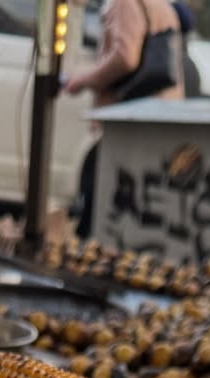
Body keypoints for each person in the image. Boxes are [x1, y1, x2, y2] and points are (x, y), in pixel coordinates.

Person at [64, 0, 184, 238]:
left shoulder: (123, 2)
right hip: (157, 118)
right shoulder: (160, 5)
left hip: (128, 119)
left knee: (103, 201)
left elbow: (126, 57)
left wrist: (85, 80)